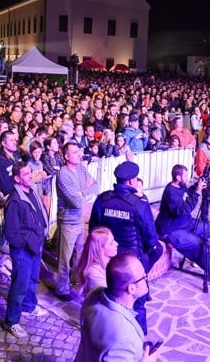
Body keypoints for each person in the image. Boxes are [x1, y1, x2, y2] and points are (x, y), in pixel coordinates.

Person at [88, 161, 160, 334]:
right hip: (133, 261)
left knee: (112, 299)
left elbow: (94, 230)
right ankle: (139, 341)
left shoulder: (103, 199)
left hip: (109, 260)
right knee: (138, 303)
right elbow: (151, 238)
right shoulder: (139, 204)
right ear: (131, 182)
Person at [155, 164, 210, 286]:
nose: (188, 178)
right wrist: (197, 192)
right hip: (171, 229)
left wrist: (197, 185)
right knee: (197, 245)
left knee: (206, 228)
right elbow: (183, 210)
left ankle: (197, 259)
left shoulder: (180, 186)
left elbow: (187, 193)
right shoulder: (171, 192)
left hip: (183, 223)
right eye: (185, 176)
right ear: (177, 177)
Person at [74, 252, 157, 362]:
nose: (146, 276)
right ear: (131, 288)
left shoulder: (94, 292)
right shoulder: (124, 338)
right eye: (143, 276)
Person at [1, 161, 48, 339]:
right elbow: (12, 234)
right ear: (17, 178)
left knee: (32, 279)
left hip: (35, 246)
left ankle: (29, 306)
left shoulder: (31, 191)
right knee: (20, 284)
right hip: (23, 251)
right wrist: (29, 242)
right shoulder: (14, 201)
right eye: (26, 174)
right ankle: (11, 321)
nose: (30, 176)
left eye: (31, 172)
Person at [55, 142, 99, 302]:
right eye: (75, 152)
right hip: (67, 220)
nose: (79, 155)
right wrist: (82, 193)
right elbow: (75, 201)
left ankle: (76, 280)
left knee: (79, 253)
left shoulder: (80, 168)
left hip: (79, 219)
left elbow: (95, 186)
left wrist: (82, 192)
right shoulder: (63, 174)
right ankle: (61, 289)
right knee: (64, 258)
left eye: (79, 152)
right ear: (66, 156)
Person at [74, 226, 118, 294]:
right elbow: (110, 297)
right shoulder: (94, 273)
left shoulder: (110, 264)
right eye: (111, 243)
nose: (117, 244)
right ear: (101, 250)